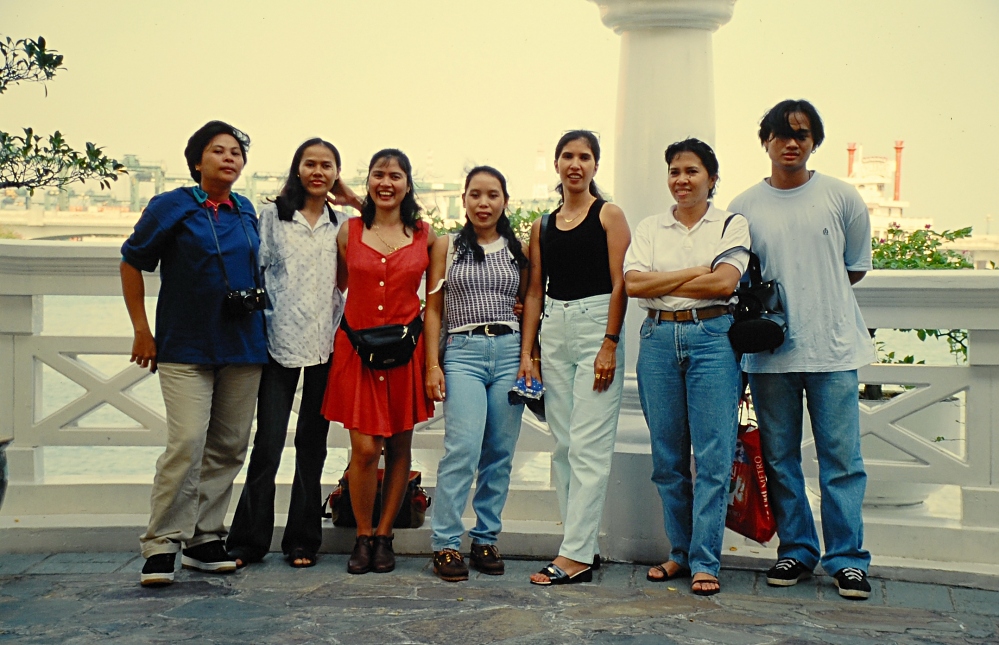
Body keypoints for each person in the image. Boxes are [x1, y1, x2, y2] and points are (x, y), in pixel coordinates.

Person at [728, 99, 876, 600]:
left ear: (814, 142)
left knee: (842, 460)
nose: (793, 142)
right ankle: (796, 549)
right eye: (783, 133)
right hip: (771, 354)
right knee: (779, 459)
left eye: (804, 134)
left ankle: (847, 559)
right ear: (765, 140)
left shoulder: (841, 196)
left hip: (834, 349)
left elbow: (853, 266)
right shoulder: (743, 206)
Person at [120, 120, 267, 586]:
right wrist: (142, 330)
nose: (230, 158)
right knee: (185, 443)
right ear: (197, 159)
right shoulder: (172, 206)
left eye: (237, 153)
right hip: (185, 346)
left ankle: (205, 538)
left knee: (228, 446)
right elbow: (131, 261)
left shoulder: (246, 211)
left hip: (243, 346)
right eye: (219, 150)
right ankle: (161, 542)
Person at [225, 138, 362, 569]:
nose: (318, 172)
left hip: (326, 344)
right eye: (310, 164)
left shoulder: (341, 223)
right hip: (275, 343)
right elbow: (254, 269)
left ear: (337, 173)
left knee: (312, 445)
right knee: (266, 445)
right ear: (297, 169)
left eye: (327, 165)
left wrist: (354, 198)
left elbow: (378, 233)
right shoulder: (272, 217)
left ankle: (302, 540)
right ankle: (248, 539)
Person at [624, 138, 749, 596]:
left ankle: (705, 560)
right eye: (675, 171)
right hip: (657, 339)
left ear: (712, 179)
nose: (682, 180)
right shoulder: (651, 226)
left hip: (712, 339)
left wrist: (676, 280)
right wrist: (695, 270)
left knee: (713, 458)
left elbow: (723, 284)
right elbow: (635, 284)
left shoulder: (731, 225)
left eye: (692, 171)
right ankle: (679, 552)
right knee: (668, 459)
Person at [521, 130, 631, 586]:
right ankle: (581, 546)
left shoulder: (609, 215)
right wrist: (530, 353)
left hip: (594, 330)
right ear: (556, 163)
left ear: (595, 165)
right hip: (555, 329)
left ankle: (574, 555)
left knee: (588, 447)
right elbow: (533, 292)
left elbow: (620, 282)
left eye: (584, 156)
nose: (575, 164)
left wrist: (609, 342)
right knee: (563, 446)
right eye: (567, 156)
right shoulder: (542, 225)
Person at [321, 148, 436, 575]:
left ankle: (385, 535)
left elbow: (440, 297)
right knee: (365, 450)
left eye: (395, 175)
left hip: (406, 351)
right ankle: (363, 534)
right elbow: (339, 285)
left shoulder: (426, 234)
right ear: (367, 181)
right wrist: (351, 199)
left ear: (408, 184)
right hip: (357, 352)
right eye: (377, 175)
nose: (386, 183)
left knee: (400, 446)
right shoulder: (348, 231)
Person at [423, 166, 532, 582]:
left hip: (507, 351)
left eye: (492, 195)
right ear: (464, 200)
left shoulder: (516, 248)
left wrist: (528, 358)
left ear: (505, 200)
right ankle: (446, 544)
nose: (483, 203)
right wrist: (433, 363)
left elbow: (527, 301)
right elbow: (434, 309)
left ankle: (485, 538)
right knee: (462, 448)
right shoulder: (447, 247)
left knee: (500, 452)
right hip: (463, 352)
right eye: (475, 195)